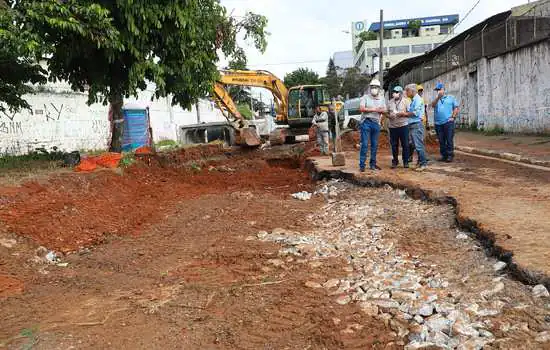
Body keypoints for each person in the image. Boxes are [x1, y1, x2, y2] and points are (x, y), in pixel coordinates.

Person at [358, 79, 386, 172]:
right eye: (372, 87)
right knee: (365, 144)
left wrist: (378, 110)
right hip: (366, 121)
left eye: (376, 87)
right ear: (370, 88)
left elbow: (384, 110)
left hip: (376, 122)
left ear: (379, 88)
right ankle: (362, 165)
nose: (374, 89)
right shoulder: (365, 97)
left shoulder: (382, 98)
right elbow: (361, 108)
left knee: (374, 144)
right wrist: (374, 109)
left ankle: (372, 164)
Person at [431, 82, 459, 162]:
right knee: (441, 140)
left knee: (449, 139)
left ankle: (450, 155)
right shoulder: (436, 99)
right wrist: (437, 98)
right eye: (437, 90)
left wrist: (453, 117)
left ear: (443, 90)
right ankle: (444, 155)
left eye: (439, 89)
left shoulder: (451, 98)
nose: (438, 91)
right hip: (438, 123)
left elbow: (456, 108)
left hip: (448, 122)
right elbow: (432, 105)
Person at [404, 84, 428, 171]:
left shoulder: (418, 100)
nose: (406, 92)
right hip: (413, 124)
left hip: (416, 124)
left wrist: (404, 114)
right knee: (415, 144)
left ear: (412, 91)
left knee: (418, 145)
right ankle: (420, 162)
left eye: (407, 91)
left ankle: (423, 164)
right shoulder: (414, 100)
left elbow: (415, 113)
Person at [388, 86, 410, 168]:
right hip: (392, 127)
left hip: (403, 126)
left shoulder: (406, 101)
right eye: (394, 92)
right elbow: (386, 113)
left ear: (400, 93)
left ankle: (406, 161)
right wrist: (389, 116)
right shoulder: (390, 102)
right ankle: (395, 161)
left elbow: (410, 113)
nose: (394, 94)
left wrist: (403, 114)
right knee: (394, 145)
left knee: (405, 144)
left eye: (396, 92)